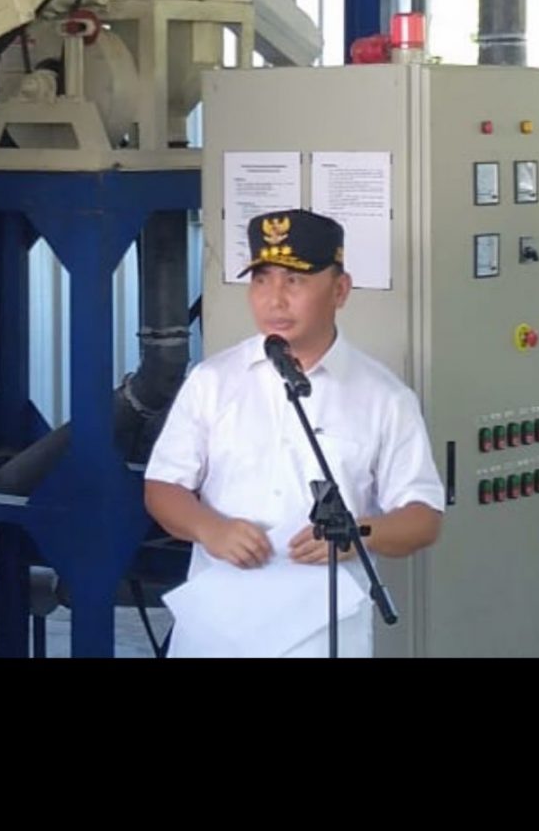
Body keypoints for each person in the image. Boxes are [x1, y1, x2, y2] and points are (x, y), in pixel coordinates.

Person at [143, 209, 444, 657]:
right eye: (261, 280)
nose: (274, 300)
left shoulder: (384, 397)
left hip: (322, 635)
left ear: (340, 290)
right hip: (218, 628)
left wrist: (359, 534)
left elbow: (423, 518)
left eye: (294, 281)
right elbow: (163, 488)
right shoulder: (213, 380)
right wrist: (211, 528)